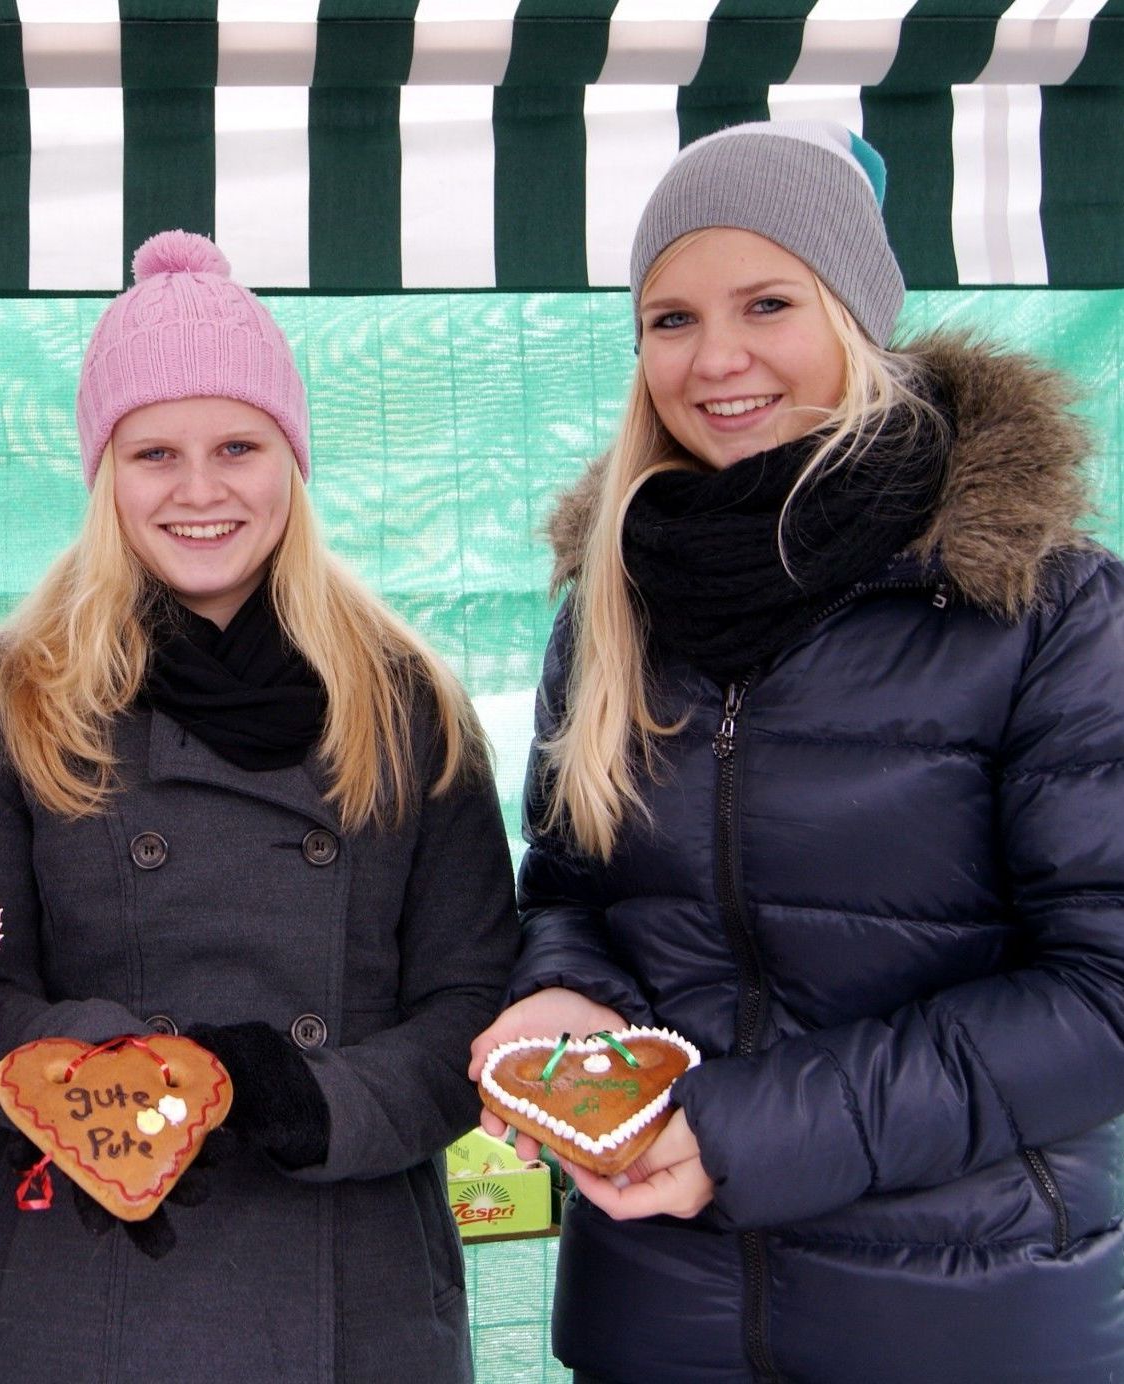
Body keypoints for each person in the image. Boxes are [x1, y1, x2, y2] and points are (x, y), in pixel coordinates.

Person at [470, 121, 1124, 1382]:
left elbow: (1103, 993)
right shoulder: (611, 607)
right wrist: (565, 996)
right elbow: (569, 888)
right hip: (656, 1311)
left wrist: (744, 1130)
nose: (716, 359)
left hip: (961, 1321)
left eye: (767, 303)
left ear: (855, 315)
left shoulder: (1044, 606)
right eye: (669, 318)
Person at [0, 230, 519, 1383]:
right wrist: (107, 1076)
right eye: (154, 453)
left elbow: (472, 1010)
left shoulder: (411, 699)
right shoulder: (6, 695)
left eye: (238, 444)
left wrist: (311, 1099)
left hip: (354, 1292)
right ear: (104, 470)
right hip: (77, 1293)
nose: (200, 491)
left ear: (292, 457)